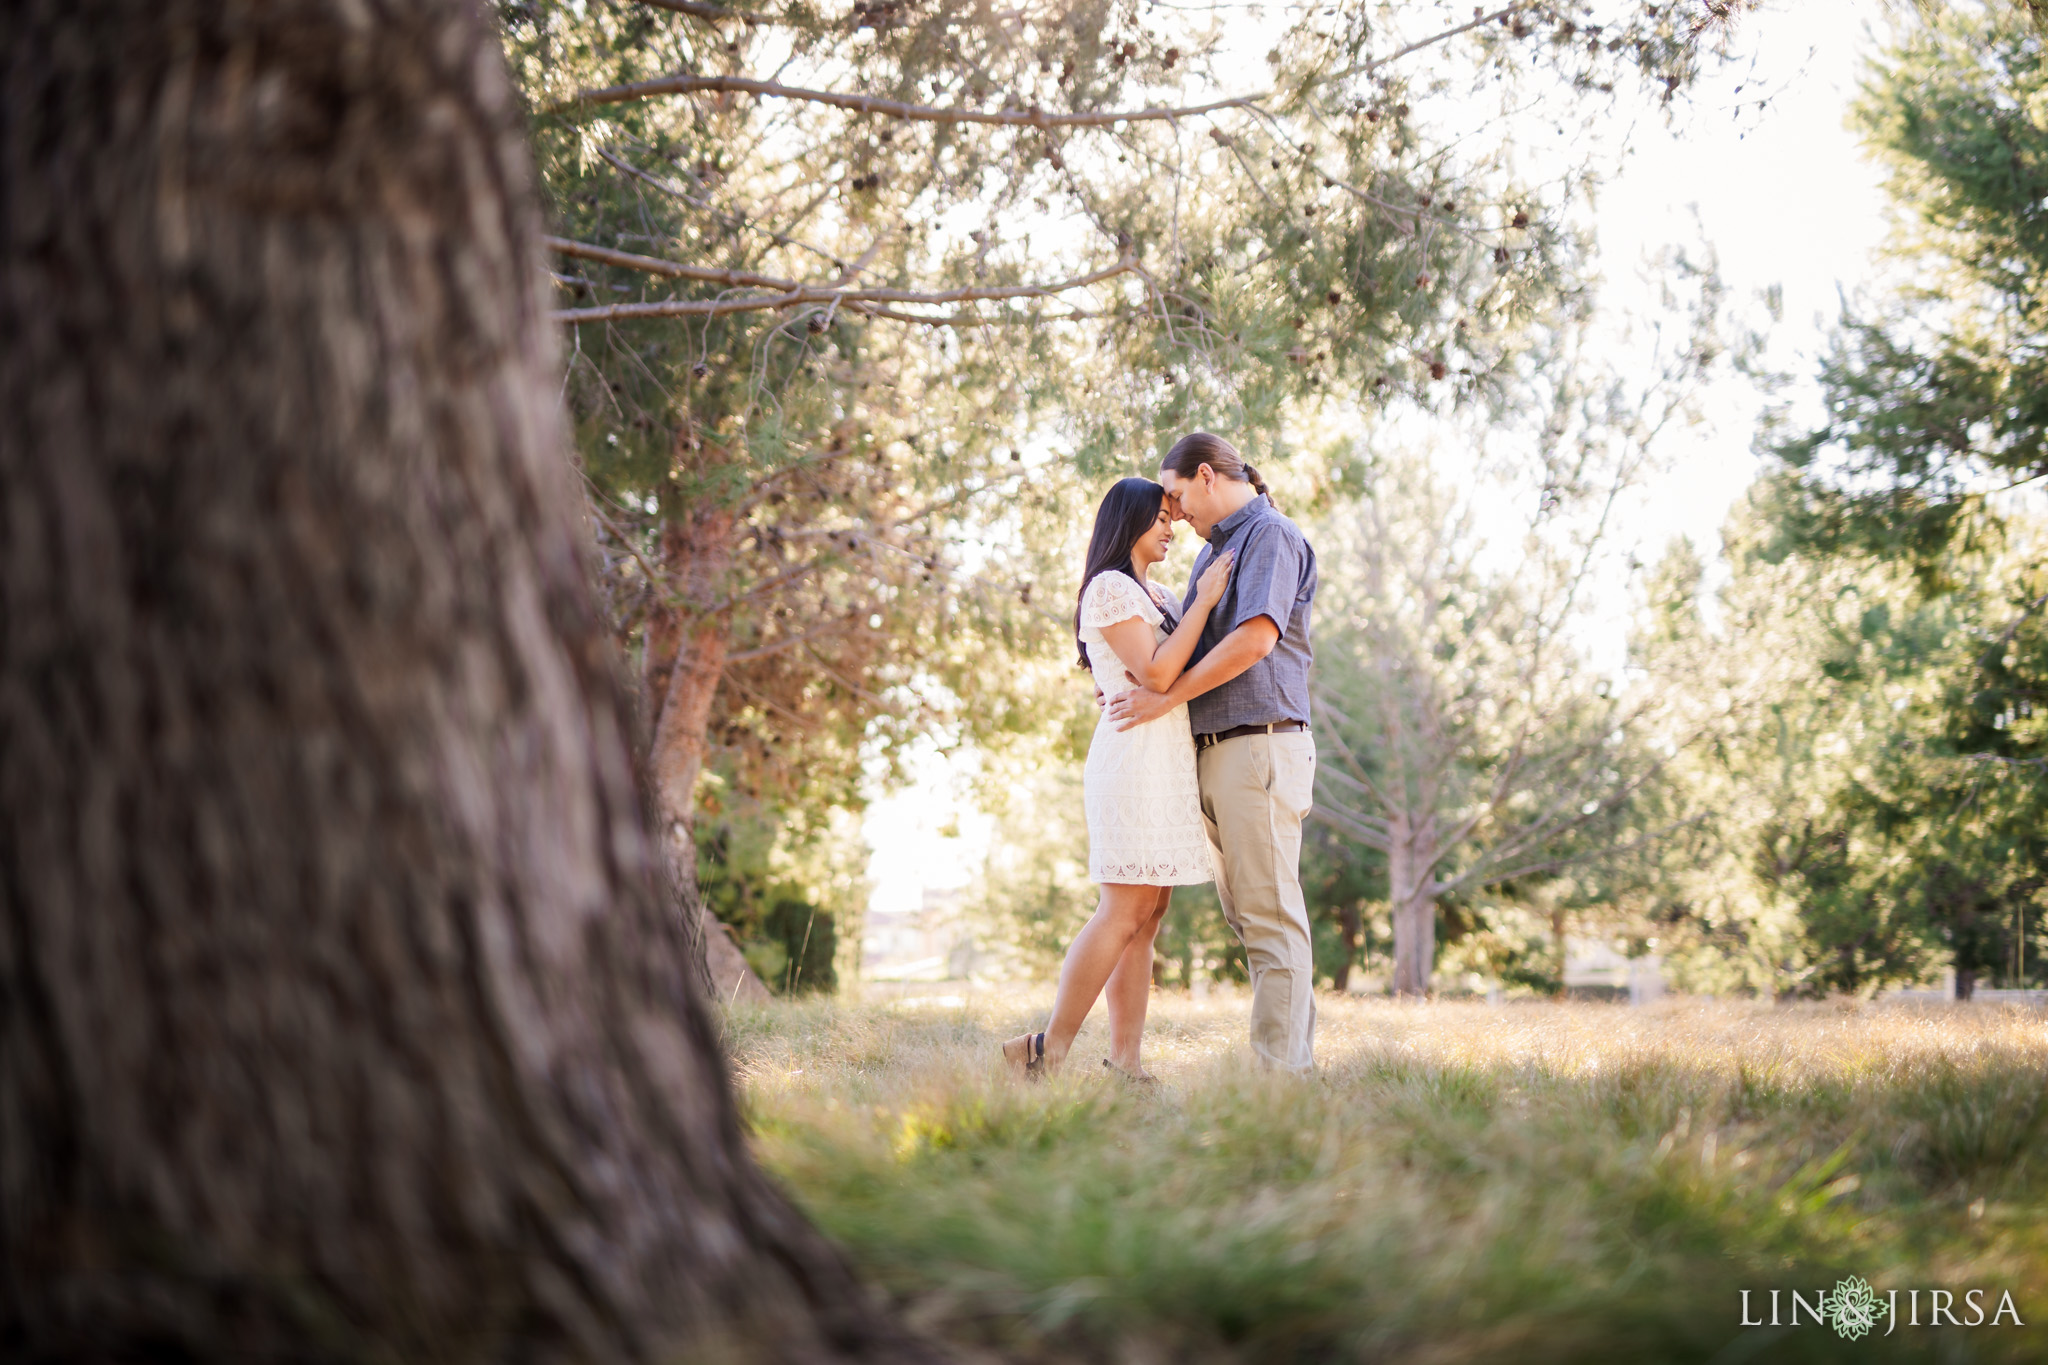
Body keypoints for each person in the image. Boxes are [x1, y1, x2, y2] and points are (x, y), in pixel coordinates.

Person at [1002, 477, 1233, 1080]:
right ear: (1127, 521)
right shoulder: (1109, 587)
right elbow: (1156, 673)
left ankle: (1125, 1063)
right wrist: (1206, 600)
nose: (1170, 527)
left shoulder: (1153, 594)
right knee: (1122, 907)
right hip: (1132, 761)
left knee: (1147, 914)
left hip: (1164, 760)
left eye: (1172, 517)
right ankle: (1045, 1051)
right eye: (1159, 516)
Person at [1106, 433, 1318, 1073]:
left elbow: (1254, 641)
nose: (1172, 513)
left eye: (1174, 496)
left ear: (1205, 476)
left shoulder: (1269, 536)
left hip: (1259, 745)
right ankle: (1290, 1061)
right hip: (1219, 750)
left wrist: (1167, 703)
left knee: (1271, 916)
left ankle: (1280, 1078)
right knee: (1253, 917)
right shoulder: (1213, 556)